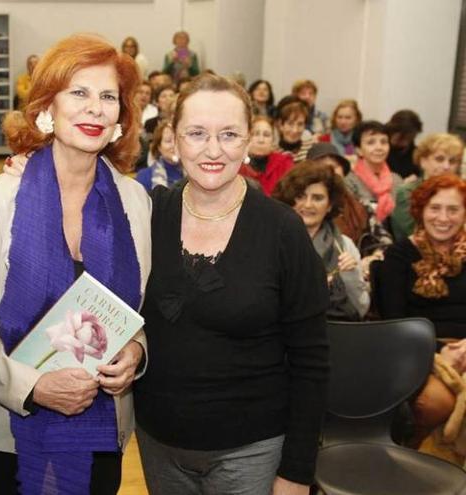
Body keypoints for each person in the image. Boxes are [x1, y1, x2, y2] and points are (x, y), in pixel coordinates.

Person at [0, 33, 150, 495]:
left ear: (122, 115)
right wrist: (31, 386)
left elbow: (138, 312)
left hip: (105, 430)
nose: (94, 109)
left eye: (107, 97)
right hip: (11, 435)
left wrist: (136, 351)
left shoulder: (136, 203)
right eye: (78, 92)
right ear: (47, 107)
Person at [134, 73, 329, 495]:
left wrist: (297, 470)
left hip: (251, 452)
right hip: (158, 442)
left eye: (228, 134)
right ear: (172, 137)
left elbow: (311, 361)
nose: (213, 150)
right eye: (197, 133)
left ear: (248, 141)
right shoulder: (146, 215)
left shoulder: (282, 231)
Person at [273, 162, 370, 321]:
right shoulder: (272, 242)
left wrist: (350, 275)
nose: (308, 205)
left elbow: (361, 309)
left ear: (330, 205)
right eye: (300, 197)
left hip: (336, 334)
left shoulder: (344, 246)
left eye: (317, 198)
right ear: (290, 200)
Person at [376, 174, 466, 338]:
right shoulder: (398, 255)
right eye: (434, 208)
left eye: (453, 210)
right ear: (421, 211)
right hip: (418, 349)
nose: (443, 218)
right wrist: (440, 350)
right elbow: (394, 323)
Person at [391, 133, 464, 241]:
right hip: (412, 252)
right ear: (423, 161)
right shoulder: (407, 192)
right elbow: (414, 232)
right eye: (439, 159)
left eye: (452, 161)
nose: (446, 166)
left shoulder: (459, 193)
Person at [306, 142, 370, 245]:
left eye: (333, 167)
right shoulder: (304, 207)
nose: (328, 172)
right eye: (321, 167)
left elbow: (375, 236)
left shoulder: (359, 203)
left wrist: (375, 252)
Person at [344, 120, 402, 225]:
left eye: (384, 142)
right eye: (371, 142)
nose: (379, 147)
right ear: (358, 150)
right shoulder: (349, 181)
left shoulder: (396, 179)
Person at [240, 115, 293, 196]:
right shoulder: (236, 164)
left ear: (273, 140)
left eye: (266, 135)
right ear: (247, 138)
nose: (261, 140)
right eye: (255, 134)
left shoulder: (284, 164)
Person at [136, 119, 183, 191]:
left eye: (178, 140)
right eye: (168, 141)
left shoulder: (194, 173)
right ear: (159, 147)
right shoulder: (145, 176)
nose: (174, 145)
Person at [386, 109, 424, 180]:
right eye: (404, 137)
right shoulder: (381, 148)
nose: (406, 142)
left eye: (411, 136)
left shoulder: (415, 152)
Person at [275, 96, 313, 163]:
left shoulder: (312, 149)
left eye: (300, 124)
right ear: (280, 125)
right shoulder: (272, 153)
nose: (295, 130)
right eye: (290, 124)